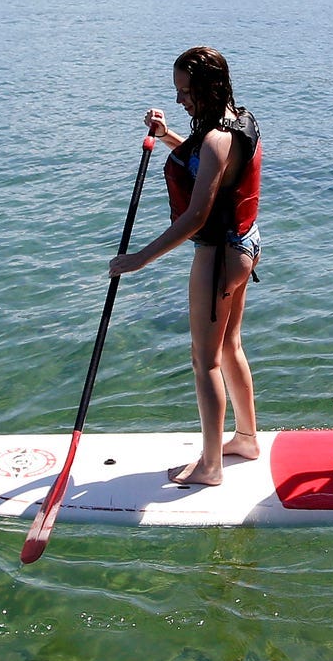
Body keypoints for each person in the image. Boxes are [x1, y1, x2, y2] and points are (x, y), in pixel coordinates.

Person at [108, 47, 263, 485]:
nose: (180, 100)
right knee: (230, 345)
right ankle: (246, 439)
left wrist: (138, 259)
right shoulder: (240, 120)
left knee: (205, 361)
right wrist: (169, 134)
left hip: (218, 256)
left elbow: (196, 215)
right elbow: (212, 164)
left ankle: (211, 466)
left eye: (185, 91)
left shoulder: (216, 138)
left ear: (208, 87)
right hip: (244, 245)